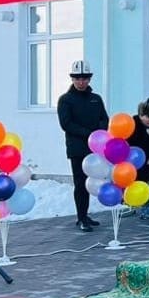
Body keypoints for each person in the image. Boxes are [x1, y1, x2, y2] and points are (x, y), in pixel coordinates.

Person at [57, 59, 109, 232]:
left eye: (85, 78)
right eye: (78, 78)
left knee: (92, 182)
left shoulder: (96, 99)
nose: (81, 82)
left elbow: (104, 119)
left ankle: (86, 215)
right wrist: (89, 134)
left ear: (89, 79)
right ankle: (81, 218)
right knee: (80, 183)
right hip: (77, 149)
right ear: (72, 79)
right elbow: (66, 124)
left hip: (96, 149)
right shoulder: (65, 100)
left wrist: (99, 133)